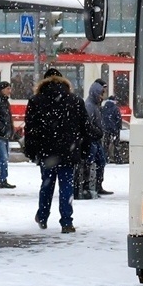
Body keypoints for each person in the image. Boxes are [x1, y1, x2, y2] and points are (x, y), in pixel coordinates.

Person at [24, 67, 91, 234]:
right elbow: (85, 127)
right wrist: (84, 148)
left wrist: (31, 150)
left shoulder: (36, 100)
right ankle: (66, 221)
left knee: (47, 184)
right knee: (66, 185)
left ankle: (42, 216)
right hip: (68, 151)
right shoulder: (75, 100)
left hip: (46, 151)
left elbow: (30, 129)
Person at [77, 80, 108, 199]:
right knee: (92, 162)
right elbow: (88, 124)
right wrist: (96, 132)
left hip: (94, 139)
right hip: (92, 140)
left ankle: (94, 186)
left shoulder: (93, 105)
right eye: (101, 93)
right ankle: (90, 187)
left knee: (98, 162)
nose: (102, 96)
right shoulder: (90, 106)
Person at [101, 93, 123, 171]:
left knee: (105, 145)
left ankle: (105, 158)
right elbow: (118, 119)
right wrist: (119, 127)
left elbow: (102, 117)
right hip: (114, 129)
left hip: (105, 129)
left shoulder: (104, 107)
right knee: (116, 144)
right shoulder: (115, 108)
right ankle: (117, 158)